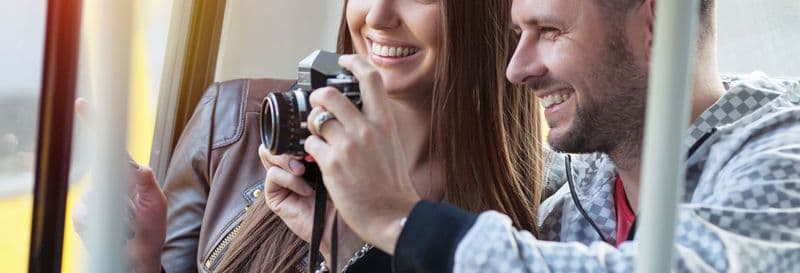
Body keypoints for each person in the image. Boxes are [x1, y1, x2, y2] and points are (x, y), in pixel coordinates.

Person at [274, 0, 800, 272]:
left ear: (656, 24)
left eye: (549, 31)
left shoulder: (781, 158)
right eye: (518, 33)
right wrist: (350, 243)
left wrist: (400, 219)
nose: (517, 68)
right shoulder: (567, 202)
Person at [155, 0, 547, 272]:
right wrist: (140, 258)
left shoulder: (533, 231)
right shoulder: (233, 122)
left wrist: (348, 249)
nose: (378, 16)